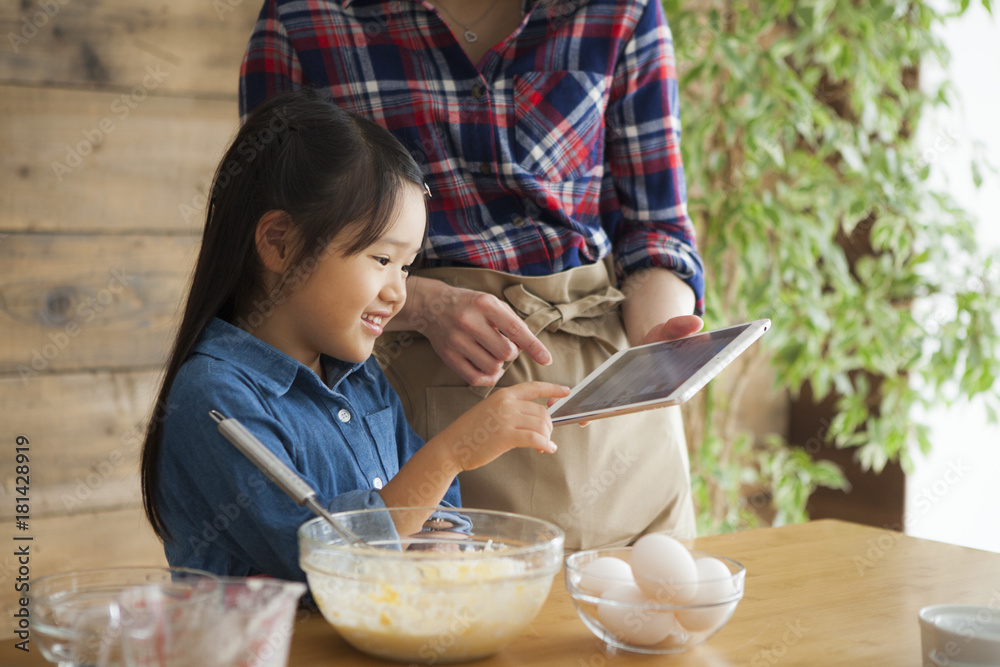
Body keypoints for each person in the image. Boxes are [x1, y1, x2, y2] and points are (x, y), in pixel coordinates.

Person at [240, 0, 705, 549]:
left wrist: (658, 345)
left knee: (646, 608)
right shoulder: (305, 18)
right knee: (452, 608)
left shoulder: (622, 10)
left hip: (608, 390)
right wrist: (423, 303)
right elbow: (275, 245)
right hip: (408, 386)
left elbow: (656, 228)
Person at [139, 88, 570, 581]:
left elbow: (437, 504)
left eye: (406, 268)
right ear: (280, 244)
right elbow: (324, 557)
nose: (398, 293)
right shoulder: (214, 398)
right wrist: (453, 451)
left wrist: (442, 543)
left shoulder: (358, 376)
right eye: (383, 260)